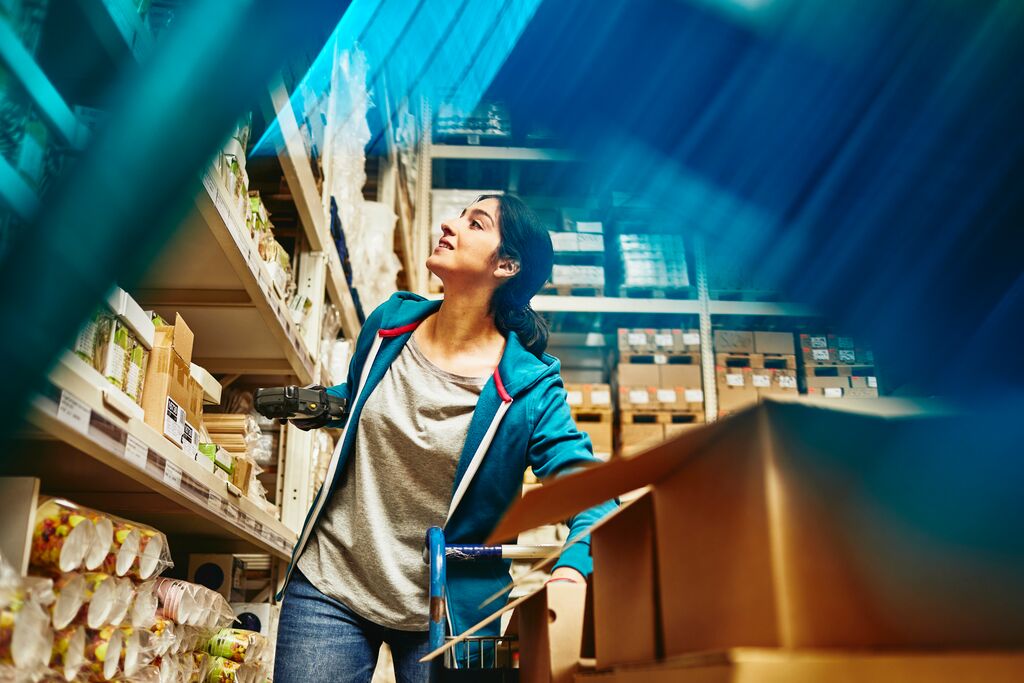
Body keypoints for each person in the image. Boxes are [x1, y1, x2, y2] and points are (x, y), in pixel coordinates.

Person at [273, 194, 616, 682]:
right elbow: (365, 395)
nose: (448, 225)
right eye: (458, 215)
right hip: (332, 583)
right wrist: (323, 404)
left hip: (449, 616)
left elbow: (591, 493)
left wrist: (570, 572)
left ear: (507, 265)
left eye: (474, 223)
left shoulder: (529, 389)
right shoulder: (390, 325)